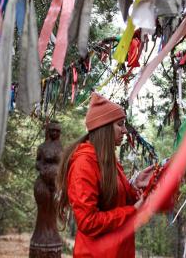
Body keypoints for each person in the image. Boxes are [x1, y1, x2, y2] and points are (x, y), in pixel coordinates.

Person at [56, 92, 153, 258]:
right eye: (120, 125)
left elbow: (115, 202)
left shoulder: (108, 161)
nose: (125, 131)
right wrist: (131, 212)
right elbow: (88, 222)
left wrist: (135, 185)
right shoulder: (84, 164)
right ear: (105, 127)